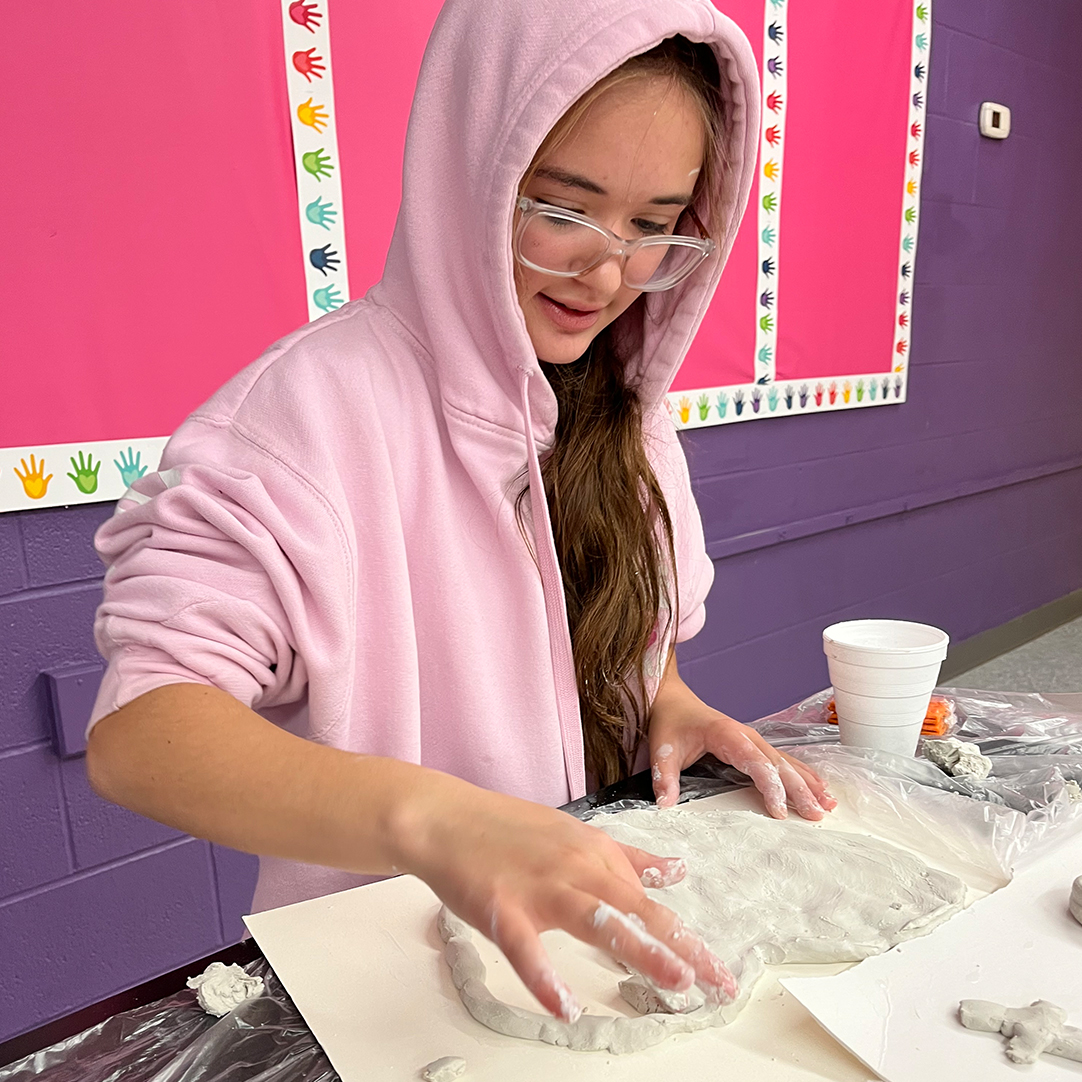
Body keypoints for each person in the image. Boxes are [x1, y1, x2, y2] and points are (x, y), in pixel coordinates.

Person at [86, 0, 835, 1023]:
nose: (607, 271)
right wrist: (437, 822)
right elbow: (144, 732)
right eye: (562, 211)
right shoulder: (303, 418)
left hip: (584, 954)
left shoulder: (630, 411)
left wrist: (670, 706)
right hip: (393, 992)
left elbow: (626, 643)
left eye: (653, 224)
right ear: (466, 177)